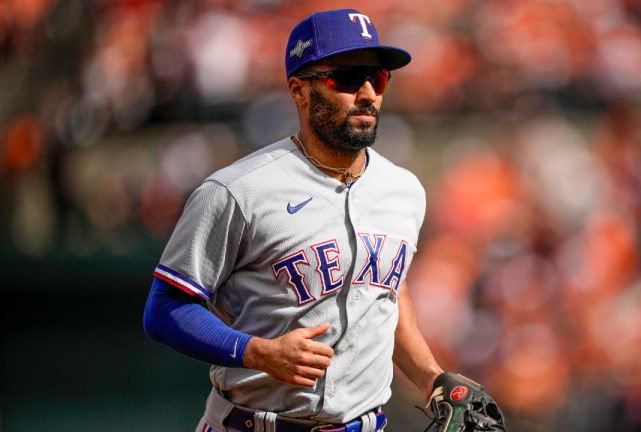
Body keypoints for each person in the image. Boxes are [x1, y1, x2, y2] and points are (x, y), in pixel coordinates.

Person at [144, 8, 444, 432]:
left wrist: (431, 377)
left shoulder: (405, 189)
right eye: (346, 77)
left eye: (376, 79)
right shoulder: (238, 190)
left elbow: (386, 291)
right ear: (299, 91)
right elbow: (165, 308)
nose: (366, 94)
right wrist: (255, 352)